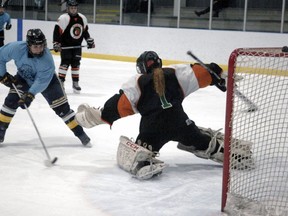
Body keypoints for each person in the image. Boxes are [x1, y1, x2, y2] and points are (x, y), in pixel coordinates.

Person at [75, 51, 253, 179]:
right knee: (200, 140)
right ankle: (233, 155)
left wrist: (98, 115)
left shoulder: (137, 81)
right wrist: (219, 77)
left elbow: (118, 106)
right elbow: (204, 72)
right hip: (182, 124)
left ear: (142, 68)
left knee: (141, 150)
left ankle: (143, 163)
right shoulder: (176, 72)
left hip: (152, 130)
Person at [0, 28, 91, 147]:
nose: (39, 50)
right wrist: (2, 75)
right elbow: (0, 57)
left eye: (41, 46)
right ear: (28, 45)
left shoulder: (47, 60)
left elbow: (41, 81)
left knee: (63, 109)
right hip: (24, 77)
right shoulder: (16, 48)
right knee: (10, 102)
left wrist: (30, 95)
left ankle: (81, 134)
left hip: (48, 82)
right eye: (35, 46)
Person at [53, 0, 95, 93]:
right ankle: (61, 82)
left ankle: (75, 83)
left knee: (76, 64)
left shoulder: (82, 18)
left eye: (75, 8)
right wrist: (56, 43)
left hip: (77, 46)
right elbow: (57, 32)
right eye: (71, 8)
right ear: (68, 8)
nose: (73, 10)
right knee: (65, 63)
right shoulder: (63, 18)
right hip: (66, 46)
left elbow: (84, 31)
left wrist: (88, 39)